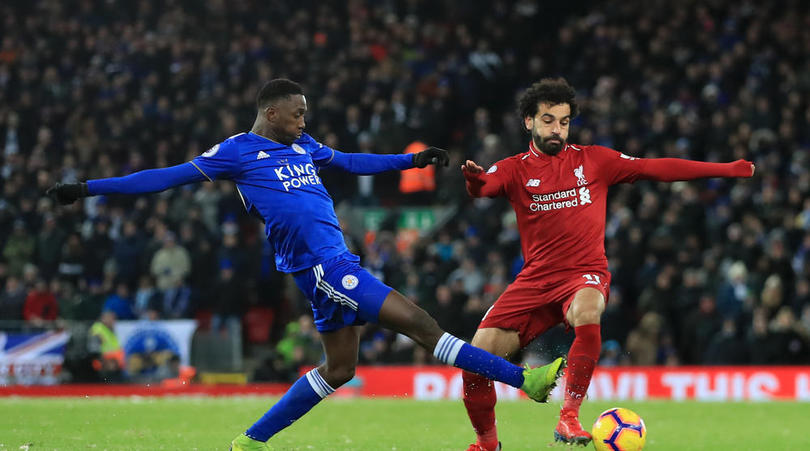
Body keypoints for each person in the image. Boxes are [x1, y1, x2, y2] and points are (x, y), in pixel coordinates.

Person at [47, 78, 565, 451]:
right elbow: (162, 177)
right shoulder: (237, 152)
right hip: (323, 266)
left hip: (331, 264)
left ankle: (252, 441)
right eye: (297, 114)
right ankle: (526, 382)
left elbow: (351, 162)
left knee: (340, 368)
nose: (304, 121)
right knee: (424, 326)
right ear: (272, 113)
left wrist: (409, 161)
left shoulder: (306, 146)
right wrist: (89, 188)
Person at [459, 77, 755, 449]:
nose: (557, 129)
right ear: (528, 122)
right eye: (548, 120)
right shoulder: (515, 169)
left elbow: (655, 168)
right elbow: (484, 186)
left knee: (588, 309)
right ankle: (487, 444)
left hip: (584, 274)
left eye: (564, 122)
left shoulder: (595, 160)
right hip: (535, 282)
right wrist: (473, 182)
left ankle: (569, 416)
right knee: (473, 363)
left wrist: (727, 169)